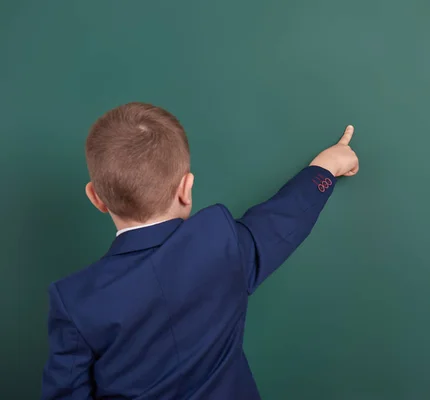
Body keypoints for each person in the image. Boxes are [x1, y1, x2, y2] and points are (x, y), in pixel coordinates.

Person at [41, 102, 359, 399]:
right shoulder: (219, 243)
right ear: (186, 189)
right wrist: (326, 167)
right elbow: (282, 220)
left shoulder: (75, 300)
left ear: (96, 197)